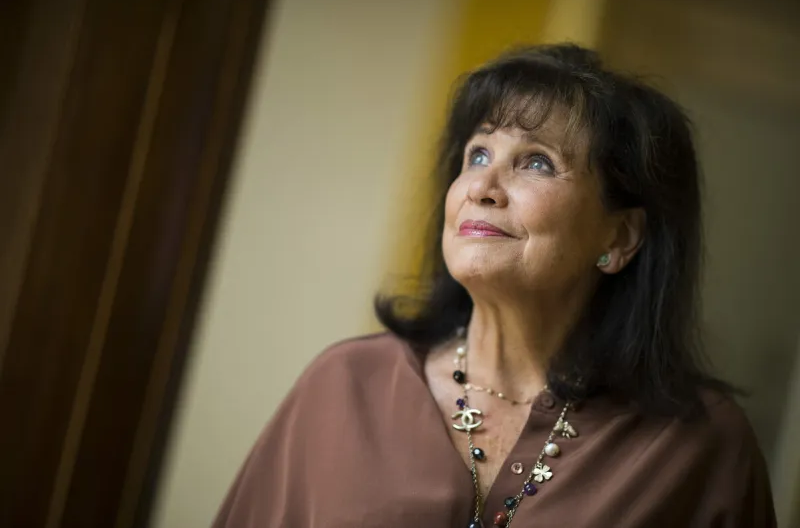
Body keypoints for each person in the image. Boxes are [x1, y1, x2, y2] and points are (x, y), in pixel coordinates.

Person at [212, 44, 776, 527]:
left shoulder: (702, 445)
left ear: (621, 236)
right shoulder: (342, 387)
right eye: (478, 153)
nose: (482, 185)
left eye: (536, 163)